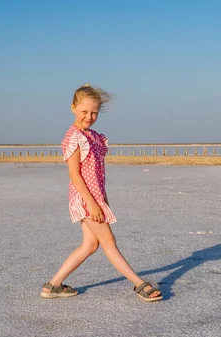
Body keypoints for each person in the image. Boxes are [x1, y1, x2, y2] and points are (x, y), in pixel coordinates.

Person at [40, 84, 163, 302]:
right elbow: (75, 175)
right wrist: (93, 204)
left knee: (90, 245)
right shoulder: (74, 137)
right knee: (109, 243)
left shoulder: (94, 136)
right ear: (73, 108)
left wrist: (103, 199)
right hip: (85, 198)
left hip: (95, 197)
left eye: (94, 112)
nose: (89, 116)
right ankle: (139, 284)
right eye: (84, 111)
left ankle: (53, 285)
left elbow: (97, 173)